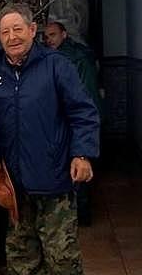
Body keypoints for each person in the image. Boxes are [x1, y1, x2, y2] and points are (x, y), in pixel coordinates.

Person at [0, 3, 100, 275]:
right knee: (21, 246)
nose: (12, 37)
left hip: (54, 174)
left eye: (18, 29)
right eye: (5, 32)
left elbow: (83, 111)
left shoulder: (57, 66)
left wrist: (82, 153)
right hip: (16, 178)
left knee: (61, 250)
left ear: (32, 31)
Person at [43, 20, 104, 224]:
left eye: (52, 35)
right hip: (63, 123)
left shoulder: (75, 58)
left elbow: (87, 95)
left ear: (64, 35)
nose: (48, 39)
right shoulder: (52, 58)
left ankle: (82, 214)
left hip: (74, 121)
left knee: (79, 168)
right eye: (46, 36)